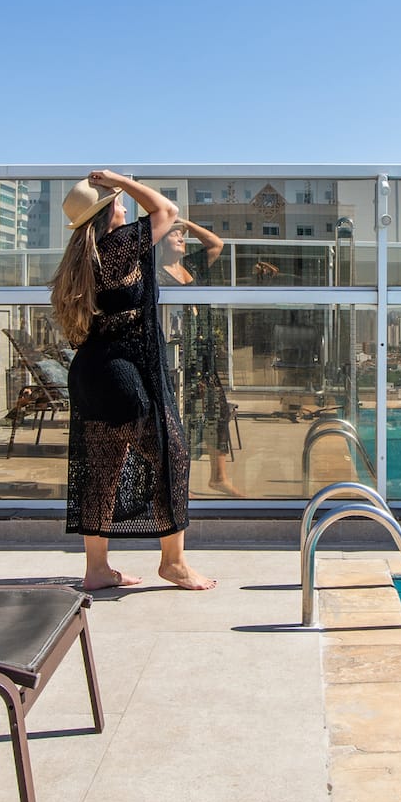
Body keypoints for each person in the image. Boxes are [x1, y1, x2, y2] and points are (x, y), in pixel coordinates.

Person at [50, 170, 215, 591]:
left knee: (102, 471)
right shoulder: (119, 244)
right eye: (117, 200)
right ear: (106, 213)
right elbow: (167, 209)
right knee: (172, 456)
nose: (124, 204)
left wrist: (115, 185)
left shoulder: (81, 255)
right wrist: (119, 178)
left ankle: (96, 569)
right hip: (120, 376)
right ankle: (173, 562)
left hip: (90, 372)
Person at [158, 218, 248, 497]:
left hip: (203, 355)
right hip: (178, 358)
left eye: (182, 234)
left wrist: (184, 222)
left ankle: (218, 477)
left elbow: (216, 243)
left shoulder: (192, 266)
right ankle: (176, 482)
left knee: (217, 411)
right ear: (160, 241)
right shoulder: (156, 273)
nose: (181, 238)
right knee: (180, 419)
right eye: (174, 234)